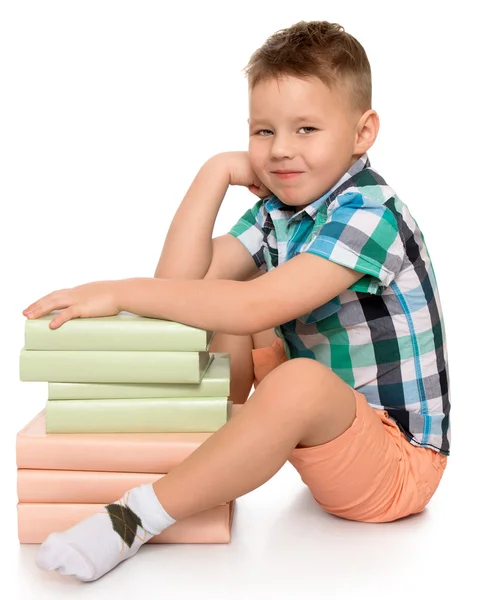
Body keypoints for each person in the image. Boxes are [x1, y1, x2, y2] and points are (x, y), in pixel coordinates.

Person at [23, 20, 451, 582]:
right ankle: (207, 447)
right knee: (217, 297)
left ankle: (134, 517)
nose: (280, 151)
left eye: (305, 129)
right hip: (326, 434)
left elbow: (253, 311)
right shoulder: (282, 210)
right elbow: (180, 283)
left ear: (362, 132)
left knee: (272, 340)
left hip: (396, 463)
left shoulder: (370, 215)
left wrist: (117, 291)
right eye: (263, 131)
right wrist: (215, 173)